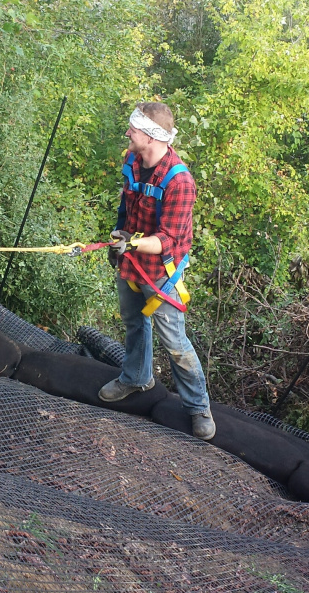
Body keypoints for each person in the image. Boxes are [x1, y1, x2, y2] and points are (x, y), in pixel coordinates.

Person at [99, 102, 215, 440]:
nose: (127, 134)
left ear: (150, 136)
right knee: (134, 322)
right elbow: (127, 204)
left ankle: (198, 407)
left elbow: (168, 239)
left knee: (174, 341)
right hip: (131, 261)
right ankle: (136, 377)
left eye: (133, 130)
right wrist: (119, 237)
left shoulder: (180, 182)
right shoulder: (132, 161)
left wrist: (130, 244)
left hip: (161, 272)